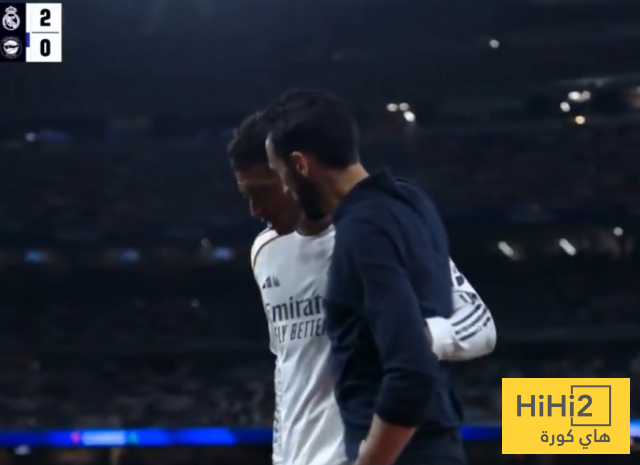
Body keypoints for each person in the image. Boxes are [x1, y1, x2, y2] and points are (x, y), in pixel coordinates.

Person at [228, 108, 495, 465]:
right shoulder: (265, 251)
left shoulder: (382, 228)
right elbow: (288, 367)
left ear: (295, 169)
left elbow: (480, 324)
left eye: (261, 191)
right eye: (245, 194)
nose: (255, 209)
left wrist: (418, 338)